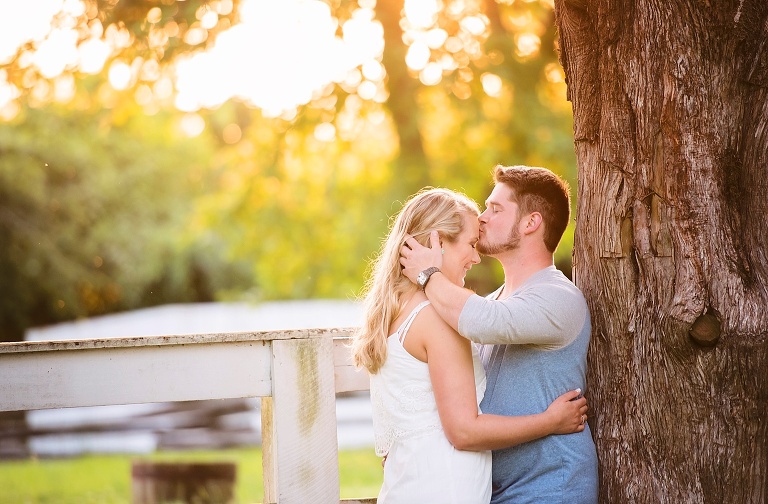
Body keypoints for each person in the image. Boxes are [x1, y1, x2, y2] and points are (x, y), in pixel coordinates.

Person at [352, 187, 589, 504]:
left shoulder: (394, 316)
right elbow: (464, 431)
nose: (477, 257)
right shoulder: (437, 320)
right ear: (437, 243)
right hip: (446, 487)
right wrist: (551, 422)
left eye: (495, 209)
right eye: (470, 244)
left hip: (411, 484)